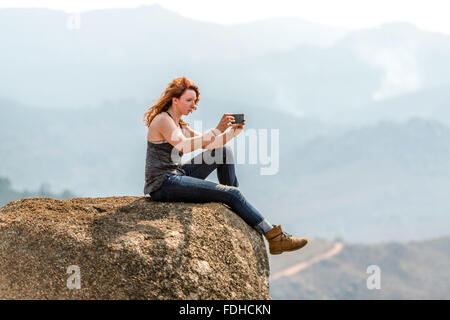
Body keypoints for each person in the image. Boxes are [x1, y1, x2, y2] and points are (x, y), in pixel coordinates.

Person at [142, 76, 308, 255]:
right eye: (188, 100)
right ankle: (274, 237)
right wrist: (217, 129)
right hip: (163, 183)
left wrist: (232, 133)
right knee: (232, 194)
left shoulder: (180, 124)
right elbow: (183, 145)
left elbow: (211, 145)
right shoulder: (162, 120)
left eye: (195, 101)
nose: (193, 105)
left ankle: (233, 201)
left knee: (223, 152)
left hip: (177, 174)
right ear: (175, 100)